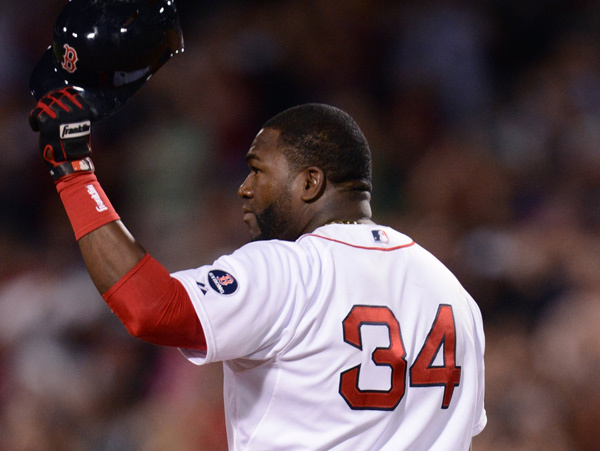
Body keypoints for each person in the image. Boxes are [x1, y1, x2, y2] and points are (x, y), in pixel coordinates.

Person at [29, 88, 486, 450]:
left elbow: (151, 308)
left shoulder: (291, 268)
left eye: (258, 170)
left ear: (310, 182)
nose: (245, 189)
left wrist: (74, 172)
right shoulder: (454, 294)